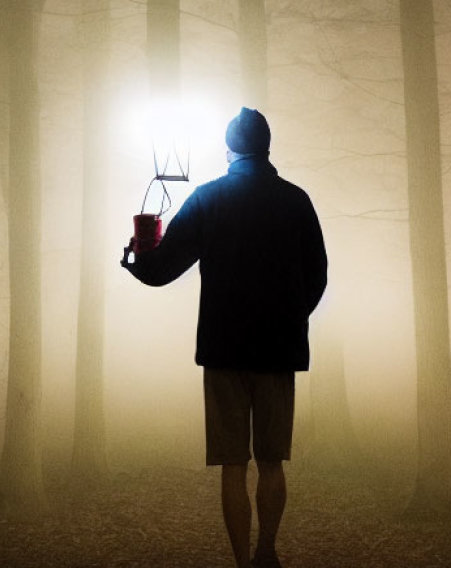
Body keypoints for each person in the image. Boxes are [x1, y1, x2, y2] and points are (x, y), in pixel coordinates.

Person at [121, 107, 327, 568]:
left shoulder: (208, 198)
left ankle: (241, 562)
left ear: (230, 148)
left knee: (234, 465)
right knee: (272, 462)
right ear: (267, 147)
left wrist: (137, 255)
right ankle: (267, 551)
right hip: (278, 351)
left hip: (224, 351)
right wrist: (290, 318)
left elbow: (165, 267)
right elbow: (318, 276)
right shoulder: (296, 201)